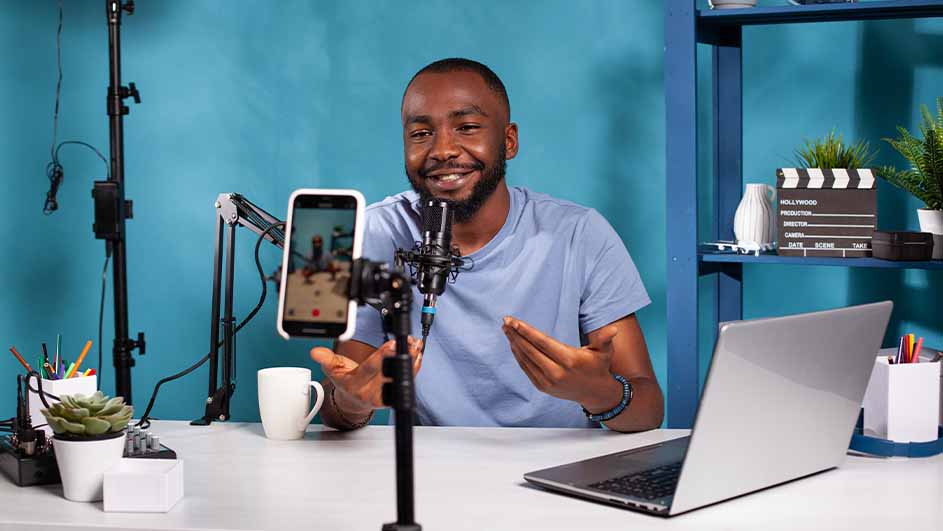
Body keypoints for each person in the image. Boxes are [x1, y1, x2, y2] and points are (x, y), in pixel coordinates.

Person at [310, 58, 663, 433]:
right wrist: (351, 399)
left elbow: (649, 408)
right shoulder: (376, 232)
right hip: (431, 471)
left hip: (555, 469)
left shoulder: (580, 233)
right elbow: (344, 399)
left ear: (508, 141)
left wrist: (601, 393)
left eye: (467, 127)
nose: (442, 149)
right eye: (420, 134)